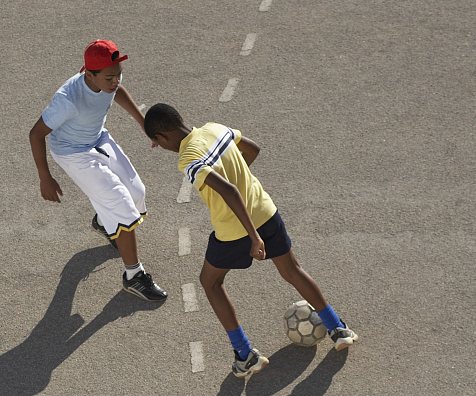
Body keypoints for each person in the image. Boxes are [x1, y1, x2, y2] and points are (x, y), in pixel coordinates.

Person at [144, 103, 357, 376]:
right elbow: (253, 149)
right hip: (265, 211)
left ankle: (245, 355)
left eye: (157, 142)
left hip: (235, 231)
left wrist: (254, 237)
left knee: (210, 282)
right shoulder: (215, 129)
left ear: (161, 138)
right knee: (292, 270)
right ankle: (338, 328)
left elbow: (230, 192)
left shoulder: (188, 159)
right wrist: (241, 177)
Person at [29, 40, 167, 302]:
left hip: (98, 139)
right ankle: (133, 276)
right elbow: (36, 134)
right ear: (88, 74)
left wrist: (143, 123)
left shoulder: (107, 82)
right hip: (72, 152)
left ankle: (103, 222)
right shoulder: (68, 100)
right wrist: (44, 177)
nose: (115, 82)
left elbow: (118, 92)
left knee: (137, 193)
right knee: (122, 204)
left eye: (118, 75)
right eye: (109, 77)